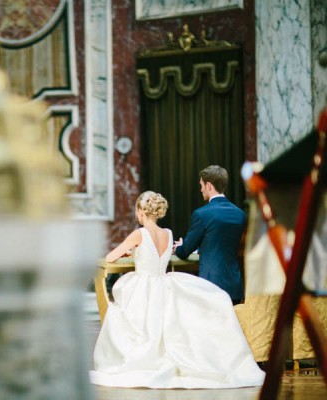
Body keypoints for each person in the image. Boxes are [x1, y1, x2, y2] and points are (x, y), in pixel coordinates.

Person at [90, 191, 264, 388]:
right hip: (164, 284)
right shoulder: (168, 233)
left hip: (143, 286)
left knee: (125, 318)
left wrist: (132, 250)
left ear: (140, 211)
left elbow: (112, 256)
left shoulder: (138, 234)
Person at [174, 165, 246, 304]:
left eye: (201, 185)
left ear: (209, 186)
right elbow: (221, 243)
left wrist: (179, 247)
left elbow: (184, 252)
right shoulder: (240, 214)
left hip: (211, 285)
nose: (200, 189)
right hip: (234, 285)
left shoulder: (201, 214)